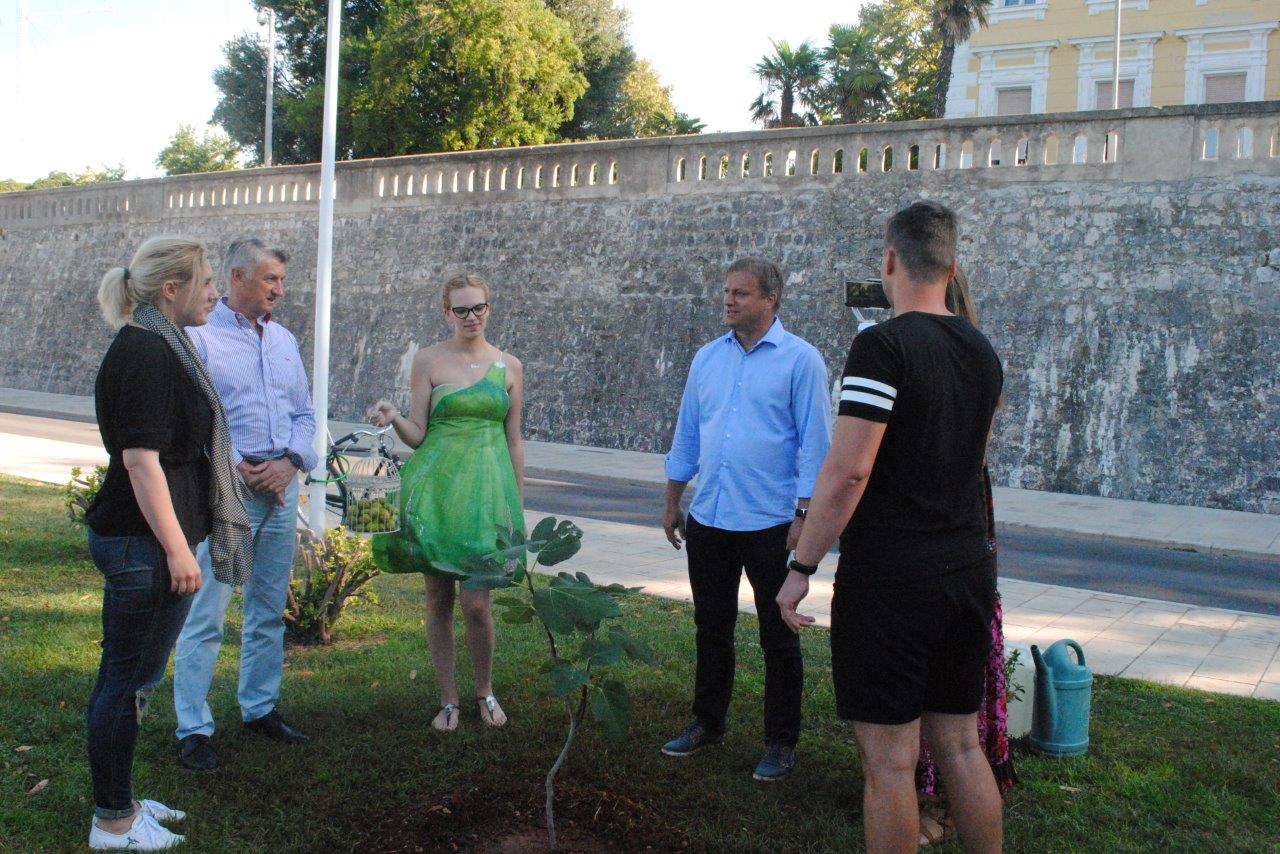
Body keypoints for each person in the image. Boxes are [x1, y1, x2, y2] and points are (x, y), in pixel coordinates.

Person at [777, 201, 1005, 852]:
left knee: (889, 764)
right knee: (962, 747)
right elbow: (972, 464)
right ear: (952, 267)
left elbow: (849, 472)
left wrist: (801, 569)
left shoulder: (882, 346)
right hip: (966, 571)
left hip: (892, 582)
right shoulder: (981, 352)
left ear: (889, 263)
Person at [85, 236, 251, 849]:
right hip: (142, 546)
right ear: (172, 289)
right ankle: (112, 822)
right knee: (123, 683)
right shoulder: (147, 354)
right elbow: (140, 462)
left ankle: (122, 800)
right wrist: (180, 551)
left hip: (152, 544)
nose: (215, 292)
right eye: (208, 282)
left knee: (136, 682)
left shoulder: (162, 346)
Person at [660, 257, 832, 782]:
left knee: (778, 637)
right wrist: (672, 500)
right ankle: (707, 722)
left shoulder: (801, 361)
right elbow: (688, 433)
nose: (729, 300)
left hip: (771, 523)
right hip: (710, 517)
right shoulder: (707, 359)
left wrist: (804, 518)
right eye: (727, 291)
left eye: (741, 293)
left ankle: (781, 742)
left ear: (770, 300)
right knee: (711, 628)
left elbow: (816, 447)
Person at [172, 238, 318, 771]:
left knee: (267, 609)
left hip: (282, 490)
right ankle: (193, 727)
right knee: (206, 612)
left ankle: (259, 707)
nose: (280, 290)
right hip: (227, 493)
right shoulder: (200, 338)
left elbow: (305, 414)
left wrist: (291, 462)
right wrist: (236, 468)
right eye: (270, 279)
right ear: (237, 277)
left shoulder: (283, 340)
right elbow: (190, 420)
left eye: (281, 279)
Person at [366, 273, 525, 732]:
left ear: (489, 309)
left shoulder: (510, 366)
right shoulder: (429, 360)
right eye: (461, 310)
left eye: (478, 308)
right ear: (446, 312)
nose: (471, 317)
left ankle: (485, 690)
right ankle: (449, 699)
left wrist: (516, 503)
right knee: (438, 599)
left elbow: (513, 441)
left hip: (486, 495)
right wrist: (395, 418)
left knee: (477, 603)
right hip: (436, 491)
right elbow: (419, 435)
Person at [915, 269, 1018, 846]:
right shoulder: (981, 359)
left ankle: (926, 800)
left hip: (926, 535)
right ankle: (947, 796)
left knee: (913, 690)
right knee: (957, 690)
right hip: (969, 528)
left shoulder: (909, 351)